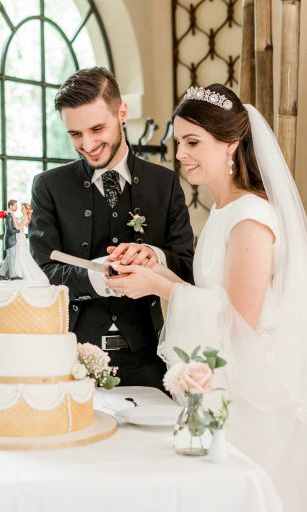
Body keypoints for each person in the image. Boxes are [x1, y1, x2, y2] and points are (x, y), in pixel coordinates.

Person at [105, 84, 307, 510]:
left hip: (256, 402)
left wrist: (159, 287)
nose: (181, 154)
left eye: (193, 142)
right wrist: (153, 268)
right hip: (229, 386)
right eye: (179, 142)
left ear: (231, 143)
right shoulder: (221, 210)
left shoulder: (250, 218)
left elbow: (240, 318)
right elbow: (211, 295)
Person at [29, 67, 194, 390]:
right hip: (68, 362)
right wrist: (98, 275)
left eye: (97, 128)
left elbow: (188, 269)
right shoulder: (49, 187)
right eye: (75, 134)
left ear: (122, 113)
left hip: (151, 362)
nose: (87, 144)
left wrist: (153, 256)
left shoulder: (164, 184)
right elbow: (41, 275)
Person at [0, 199, 20, 280]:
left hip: (10, 240)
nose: (16, 207)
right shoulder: (9, 216)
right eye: (15, 205)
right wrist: (18, 230)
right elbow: (10, 230)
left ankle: (0, 274)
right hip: (10, 240)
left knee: (9, 257)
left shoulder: (9, 215)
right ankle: (13, 275)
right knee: (11, 258)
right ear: (11, 206)